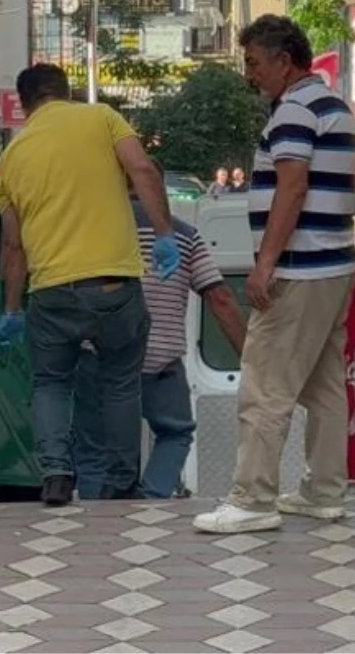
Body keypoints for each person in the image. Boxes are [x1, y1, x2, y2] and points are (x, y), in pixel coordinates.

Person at [193, 14, 355, 535]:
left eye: (254, 62)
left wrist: (264, 263)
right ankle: (324, 490)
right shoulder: (333, 104)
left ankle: (253, 497)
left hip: (299, 269)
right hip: (333, 265)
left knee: (264, 384)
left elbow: (292, 188)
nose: (250, 74)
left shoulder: (293, 110)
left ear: (284, 61)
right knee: (324, 385)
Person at [0, 63, 180, 507]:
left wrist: (13, 310)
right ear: (66, 92)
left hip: (52, 291)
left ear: (24, 104)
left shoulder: (12, 157)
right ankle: (121, 482)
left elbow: (13, 247)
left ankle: (57, 475)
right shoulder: (102, 118)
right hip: (115, 284)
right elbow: (144, 171)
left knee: (51, 383)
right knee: (120, 382)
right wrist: (165, 234)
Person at [73, 161, 247, 500]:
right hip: (160, 359)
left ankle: (94, 518)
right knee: (175, 432)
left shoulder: (92, 231)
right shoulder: (184, 235)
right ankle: (151, 500)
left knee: (94, 446)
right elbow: (221, 299)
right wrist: (251, 358)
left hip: (100, 356)